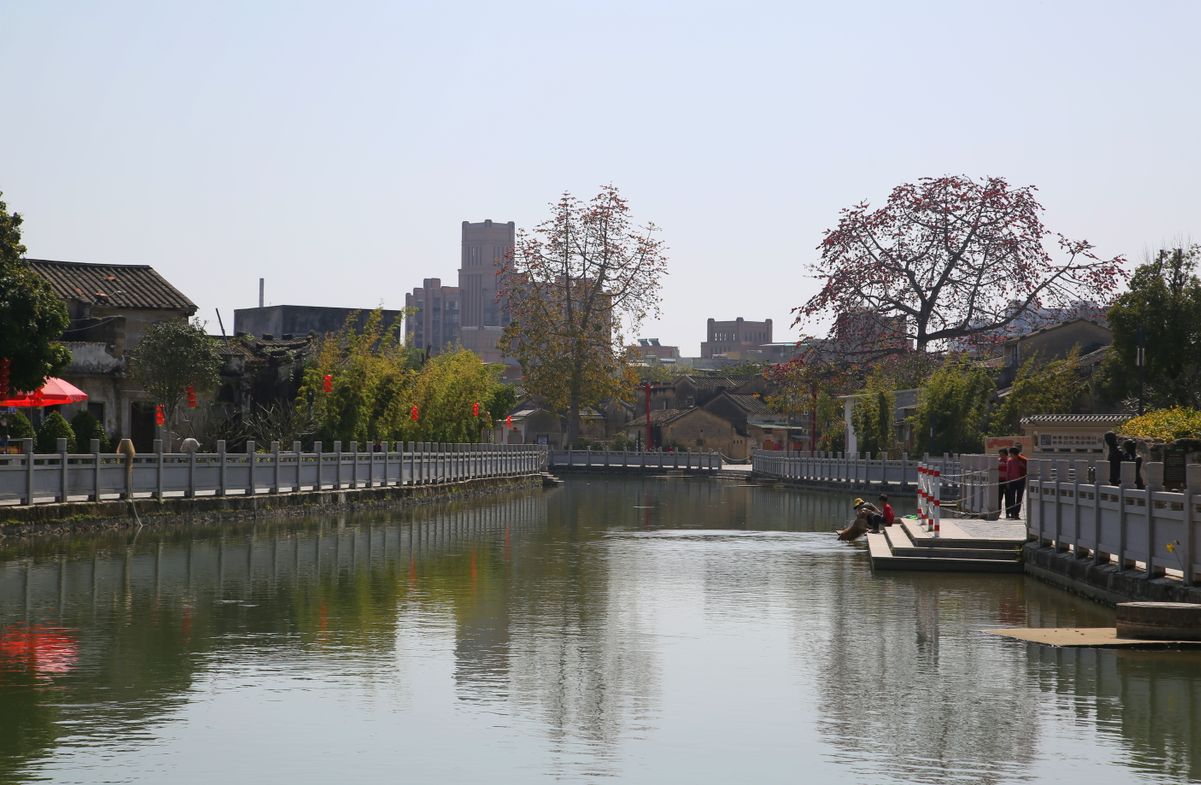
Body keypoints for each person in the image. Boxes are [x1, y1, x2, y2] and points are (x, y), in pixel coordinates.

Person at [1006, 446, 1027, 519]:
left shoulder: (1022, 460)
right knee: (1011, 497)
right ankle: (1012, 512)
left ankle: (1016, 513)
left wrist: (1023, 465)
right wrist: (1008, 481)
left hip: (1020, 481)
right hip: (1012, 481)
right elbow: (1008, 472)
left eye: (1011, 454)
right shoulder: (1010, 461)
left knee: (1019, 498)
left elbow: (1027, 469)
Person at [997, 448, 1010, 517]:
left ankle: (1008, 512)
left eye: (1002, 454)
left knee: (1008, 497)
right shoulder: (998, 461)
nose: (1000, 456)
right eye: (1000, 454)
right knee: (999, 497)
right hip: (999, 480)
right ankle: (998, 511)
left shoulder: (1009, 461)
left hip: (1008, 480)